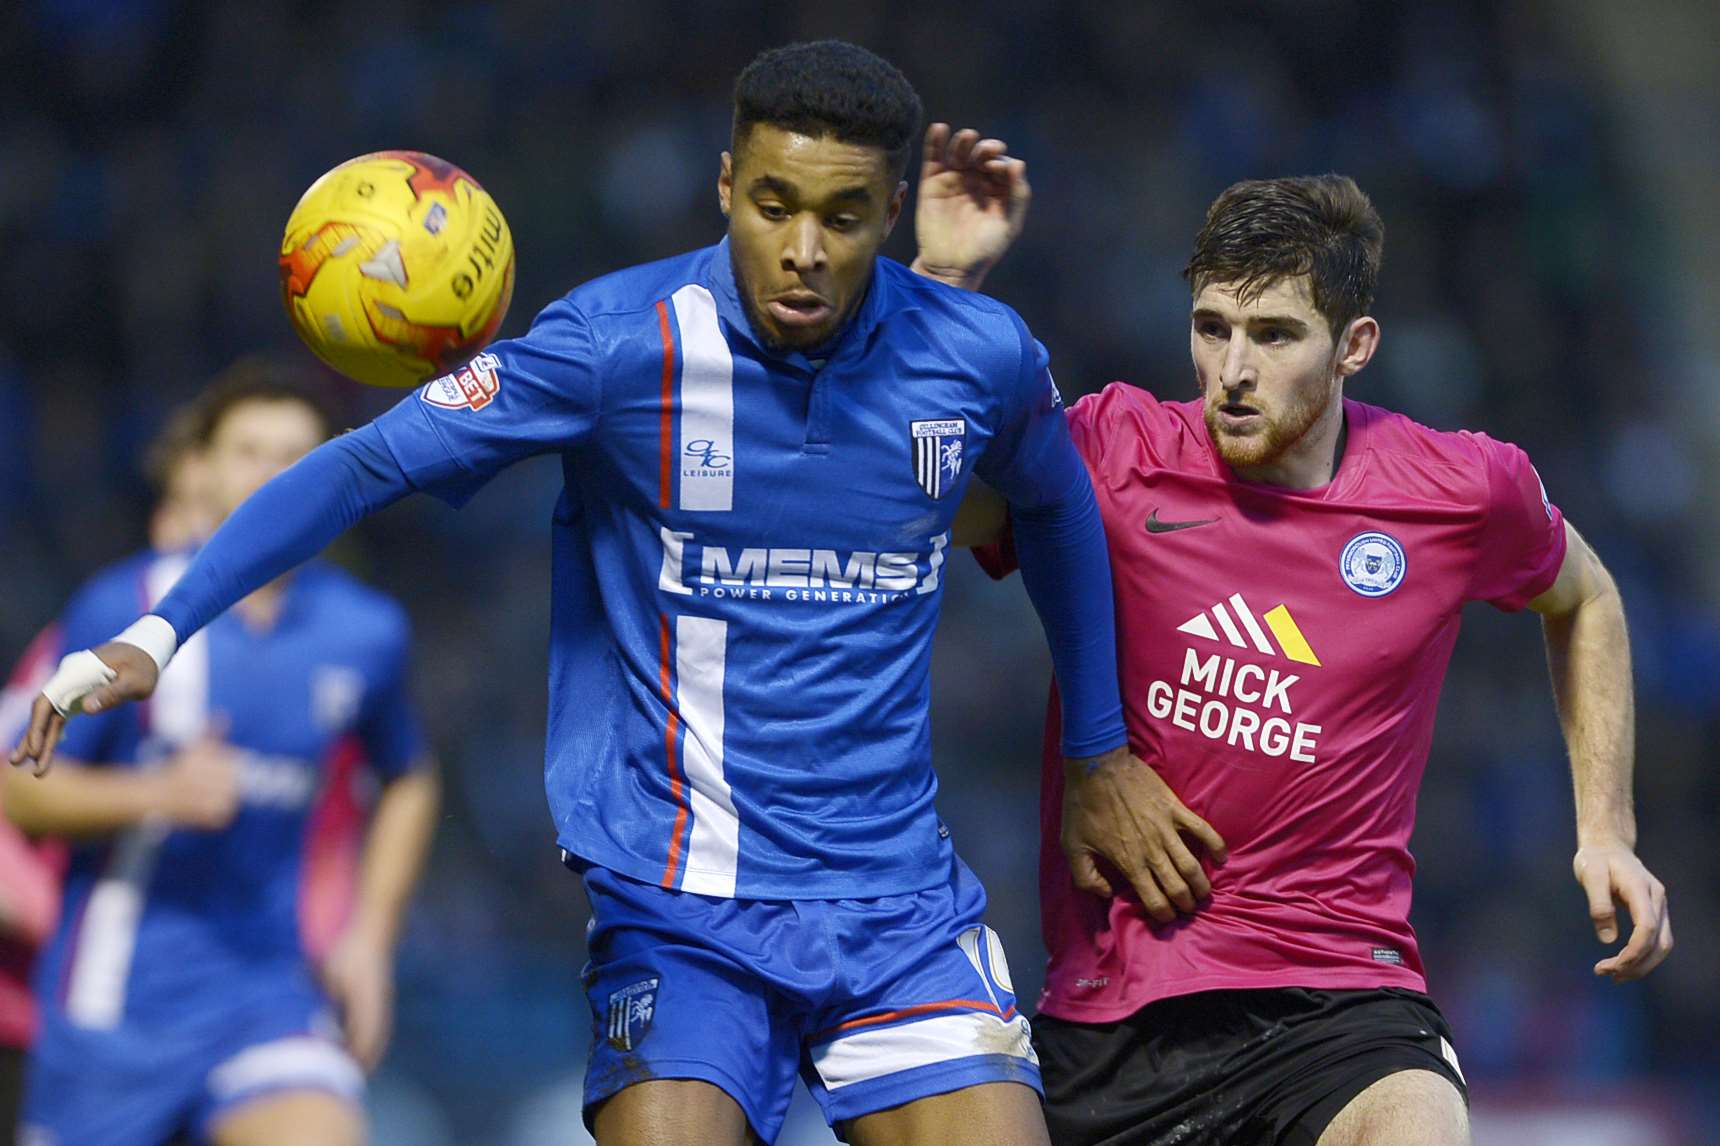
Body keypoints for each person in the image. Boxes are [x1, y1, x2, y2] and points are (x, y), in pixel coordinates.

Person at [10, 41, 1164, 1146]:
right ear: (724, 185)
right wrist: (161, 632)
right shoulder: (614, 347)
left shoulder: (979, 352)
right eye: (773, 206)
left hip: (898, 905)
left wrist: (1099, 752)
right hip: (681, 908)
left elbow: (1055, 505)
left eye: (843, 216)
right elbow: (364, 462)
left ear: (892, 206)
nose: (804, 248)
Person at [947, 172, 1672, 1144]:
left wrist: (1606, 830)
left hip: (1341, 1010)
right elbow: (943, 507)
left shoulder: (1459, 488)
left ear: (1352, 347)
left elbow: (1583, 598)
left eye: (1275, 335)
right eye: (1212, 328)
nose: (1232, 370)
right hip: (1112, 1018)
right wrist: (940, 295)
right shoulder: (1111, 449)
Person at [4, 364, 441, 1146]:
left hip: (265, 996)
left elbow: (408, 776)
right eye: (248, 450)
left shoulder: (365, 631)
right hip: (112, 1011)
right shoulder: (123, 610)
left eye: (298, 455)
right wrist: (153, 796)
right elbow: (19, 787)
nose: (273, 474)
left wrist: (369, 939)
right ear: (198, 468)